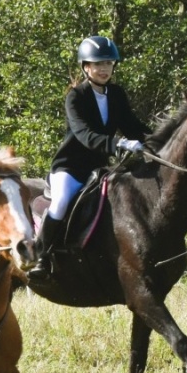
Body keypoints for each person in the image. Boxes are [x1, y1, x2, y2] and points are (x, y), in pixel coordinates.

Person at [28, 36, 150, 280]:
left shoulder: (116, 94)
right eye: (98, 64)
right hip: (70, 168)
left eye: (108, 63)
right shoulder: (75, 97)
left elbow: (132, 125)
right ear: (86, 67)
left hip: (99, 168)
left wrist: (158, 141)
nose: (104, 69)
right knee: (61, 202)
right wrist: (118, 144)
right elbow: (85, 135)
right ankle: (40, 255)